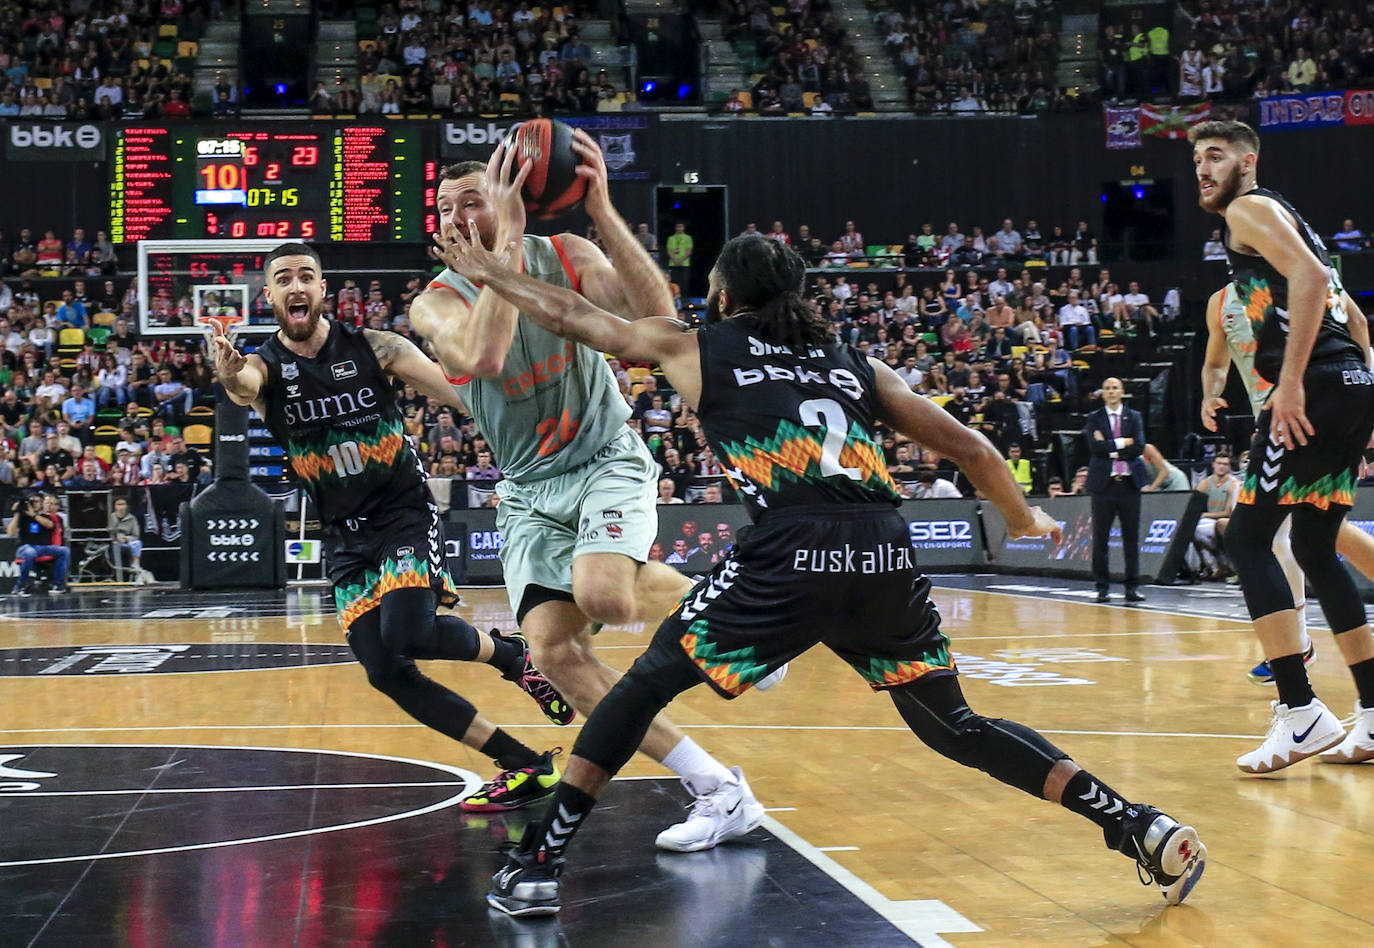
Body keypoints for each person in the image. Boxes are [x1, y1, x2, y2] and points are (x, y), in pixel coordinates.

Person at [443, 233, 1206, 918]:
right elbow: (971, 448)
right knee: (957, 726)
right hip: (881, 551)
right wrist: (1021, 517)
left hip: (793, 550)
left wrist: (488, 273)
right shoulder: (855, 361)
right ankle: (1136, 824)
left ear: (726, 296)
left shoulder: (701, 346)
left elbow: (581, 320)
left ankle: (539, 861)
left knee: (642, 685)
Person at [410, 138, 764, 844]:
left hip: (603, 456)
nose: (455, 216)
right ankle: (717, 788)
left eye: (472, 199)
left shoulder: (568, 253)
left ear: (512, 196)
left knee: (605, 594)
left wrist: (600, 205)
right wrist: (500, 250)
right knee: (552, 653)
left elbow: (656, 322)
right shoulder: (435, 303)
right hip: (529, 488)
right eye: (444, 207)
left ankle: (741, 627)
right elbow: (482, 356)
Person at [212, 241, 575, 799]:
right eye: (283, 279)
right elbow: (243, 388)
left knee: (407, 631)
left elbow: (463, 396)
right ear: (270, 297)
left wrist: (532, 416)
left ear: (323, 289)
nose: (296, 287)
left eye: (306, 276)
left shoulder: (375, 346)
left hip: (402, 510)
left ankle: (512, 656)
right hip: (342, 535)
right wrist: (230, 372)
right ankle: (524, 763)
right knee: (385, 671)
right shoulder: (264, 367)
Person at [1191, 119, 1374, 771]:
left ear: (1248, 160)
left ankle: (1300, 714)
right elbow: (1339, 298)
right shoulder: (1278, 213)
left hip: (1312, 387)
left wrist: (1290, 382)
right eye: (1197, 160)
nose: (1203, 169)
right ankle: (1373, 716)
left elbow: (1308, 277)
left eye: (1216, 156)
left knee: (1245, 539)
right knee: (1315, 548)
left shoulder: (1248, 209)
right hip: (1348, 383)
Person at [1202, 280, 1374, 695]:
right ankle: (1302, 649)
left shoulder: (1299, 274)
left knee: (1269, 535)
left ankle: (1297, 650)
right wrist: (1211, 395)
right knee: (1310, 536)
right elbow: (1215, 364)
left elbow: (1358, 327)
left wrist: (1361, 408)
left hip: (1315, 406)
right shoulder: (1221, 300)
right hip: (1276, 419)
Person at [1083, 378, 1148, 603]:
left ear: (1122, 392)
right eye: (1107, 389)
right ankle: (1102, 588)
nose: (1111, 392)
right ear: (1103, 394)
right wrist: (1122, 443)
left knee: (1131, 539)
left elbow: (1139, 446)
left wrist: (1109, 446)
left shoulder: (1135, 417)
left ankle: (1132, 587)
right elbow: (1094, 448)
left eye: (1115, 388)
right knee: (1100, 539)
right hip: (1104, 486)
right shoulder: (1094, 419)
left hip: (1129, 485)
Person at [7, 492, 70, 595]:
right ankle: (20, 586)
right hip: (25, 547)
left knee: (64, 551)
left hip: (42, 548)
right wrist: (17, 513)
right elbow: (10, 532)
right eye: (34, 501)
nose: (37, 503)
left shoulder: (46, 516)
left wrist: (33, 515)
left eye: (38, 501)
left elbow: (49, 525)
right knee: (30, 552)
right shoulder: (23, 517)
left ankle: (58, 585)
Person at [1192, 453, 1239, 579]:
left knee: (1210, 526)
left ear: (1229, 467)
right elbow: (1193, 505)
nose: (1221, 467)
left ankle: (1223, 564)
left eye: (1225, 464)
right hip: (1209, 521)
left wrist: (1204, 515)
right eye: (1219, 463)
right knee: (1191, 528)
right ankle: (1212, 566)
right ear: (1213, 464)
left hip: (1223, 521)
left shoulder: (1233, 485)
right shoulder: (1205, 483)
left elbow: (1228, 513)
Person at [109, 495, 148, 583]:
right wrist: (116, 538)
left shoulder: (132, 518)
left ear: (127, 506)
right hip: (113, 542)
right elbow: (107, 532)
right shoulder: (110, 518)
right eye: (118, 504)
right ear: (114, 506)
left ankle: (136, 567)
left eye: (123, 504)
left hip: (127, 542)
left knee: (138, 543)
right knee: (115, 546)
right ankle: (116, 576)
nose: (121, 507)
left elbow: (136, 535)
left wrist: (126, 539)